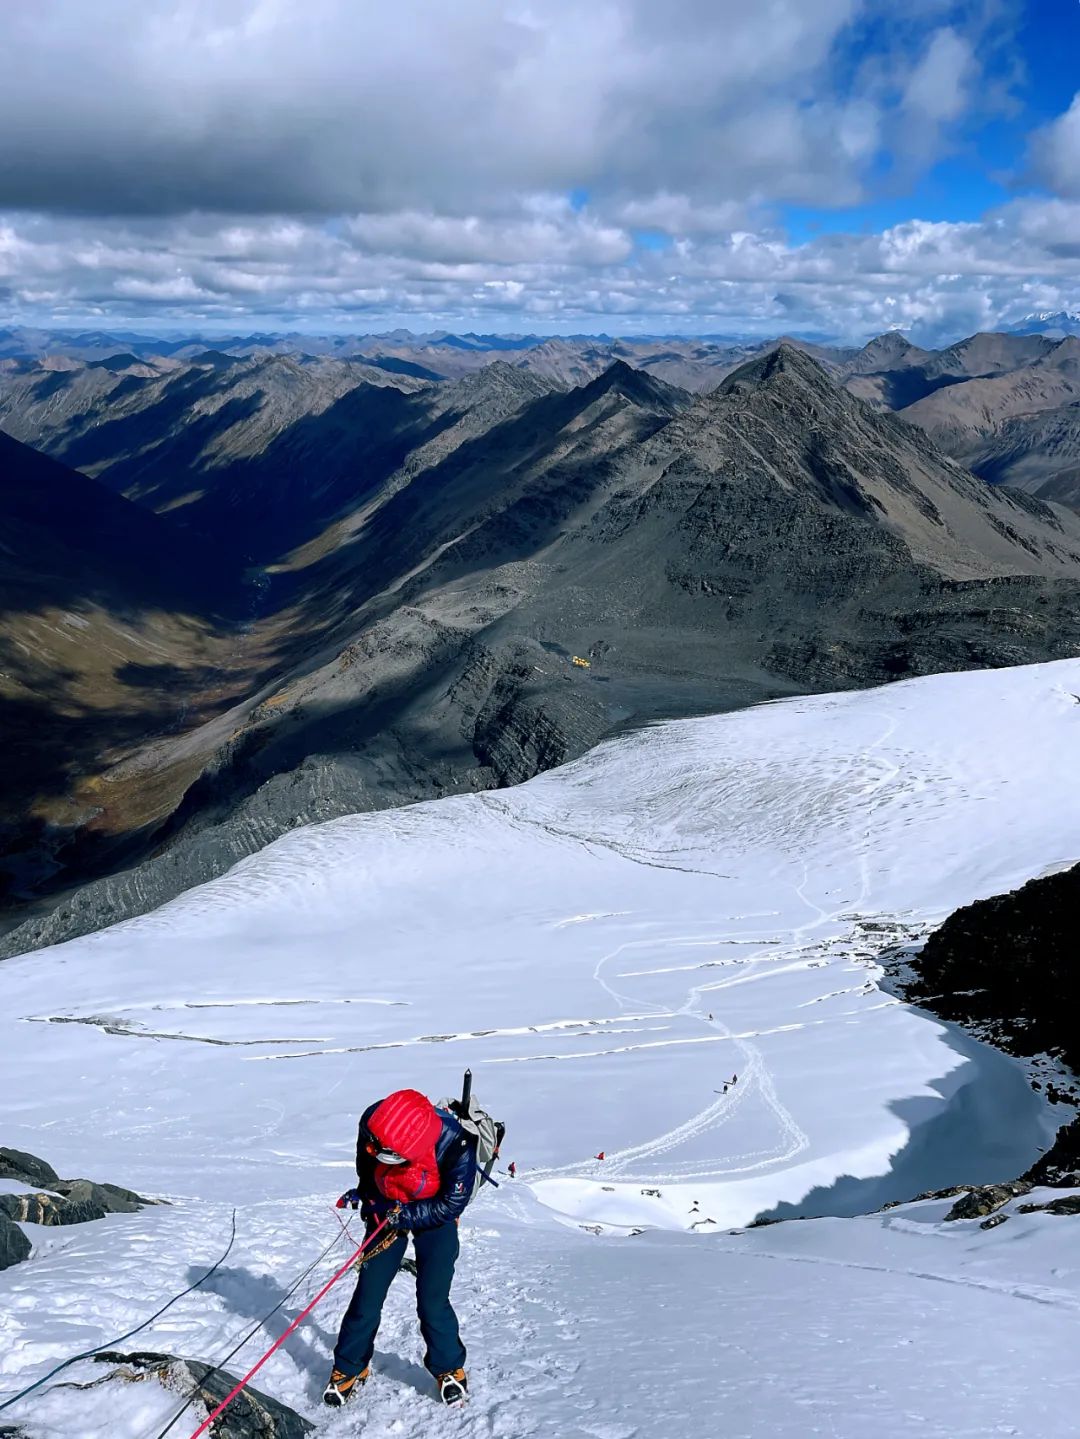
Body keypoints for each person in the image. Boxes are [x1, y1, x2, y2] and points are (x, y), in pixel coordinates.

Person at [323, 1088, 477, 1409]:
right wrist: (372, 1202)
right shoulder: (374, 1124)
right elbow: (366, 1168)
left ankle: (448, 1366)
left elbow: (452, 1203)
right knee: (368, 1293)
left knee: (433, 1298)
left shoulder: (457, 1145)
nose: (374, 1150)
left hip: (435, 1216)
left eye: (388, 1153)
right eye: (374, 1145)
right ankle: (350, 1365)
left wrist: (405, 1215)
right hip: (386, 1206)